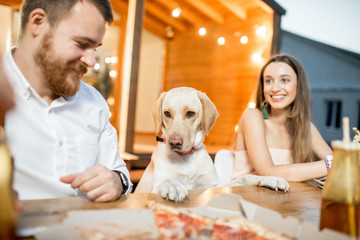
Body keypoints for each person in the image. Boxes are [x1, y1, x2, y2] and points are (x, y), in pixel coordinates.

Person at [2, 0, 132, 202]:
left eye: (95, 49)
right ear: (38, 22)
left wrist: (117, 180)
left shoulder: (94, 102)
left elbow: (120, 173)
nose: (90, 62)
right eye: (81, 44)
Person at [215, 54, 333, 183]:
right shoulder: (253, 116)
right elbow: (267, 173)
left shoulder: (305, 127)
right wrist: (331, 165)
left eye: (284, 80)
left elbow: (342, 167)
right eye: (268, 81)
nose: (275, 88)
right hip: (246, 199)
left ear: (299, 85)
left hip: (286, 202)